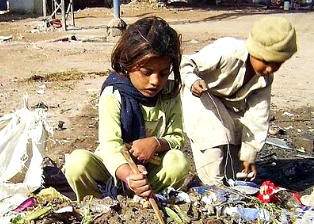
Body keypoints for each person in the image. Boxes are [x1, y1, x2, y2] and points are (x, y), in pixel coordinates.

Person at [64, 16, 189, 202]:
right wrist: (129, 176)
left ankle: (149, 199)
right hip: (114, 170)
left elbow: (177, 138)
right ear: (128, 65)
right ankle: (99, 204)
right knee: (77, 163)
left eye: (163, 73)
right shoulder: (114, 93)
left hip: (151, 174)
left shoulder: (169, 93)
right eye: (146, 72)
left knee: (177, 162)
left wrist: (155, 143)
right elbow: (110, 145)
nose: (155, 81)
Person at [180, 16, 297, 185]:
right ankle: (210, 186)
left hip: (228, 109)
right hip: (200, 96)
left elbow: (258, 117)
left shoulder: (264, 79)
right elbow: (187, 62)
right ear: (254, 50)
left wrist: (249, 155)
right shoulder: (227, 51)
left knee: (233, 175)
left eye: (277, 64)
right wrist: (192, 80)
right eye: (266, 61)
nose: (270, 69)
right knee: (214, 156)